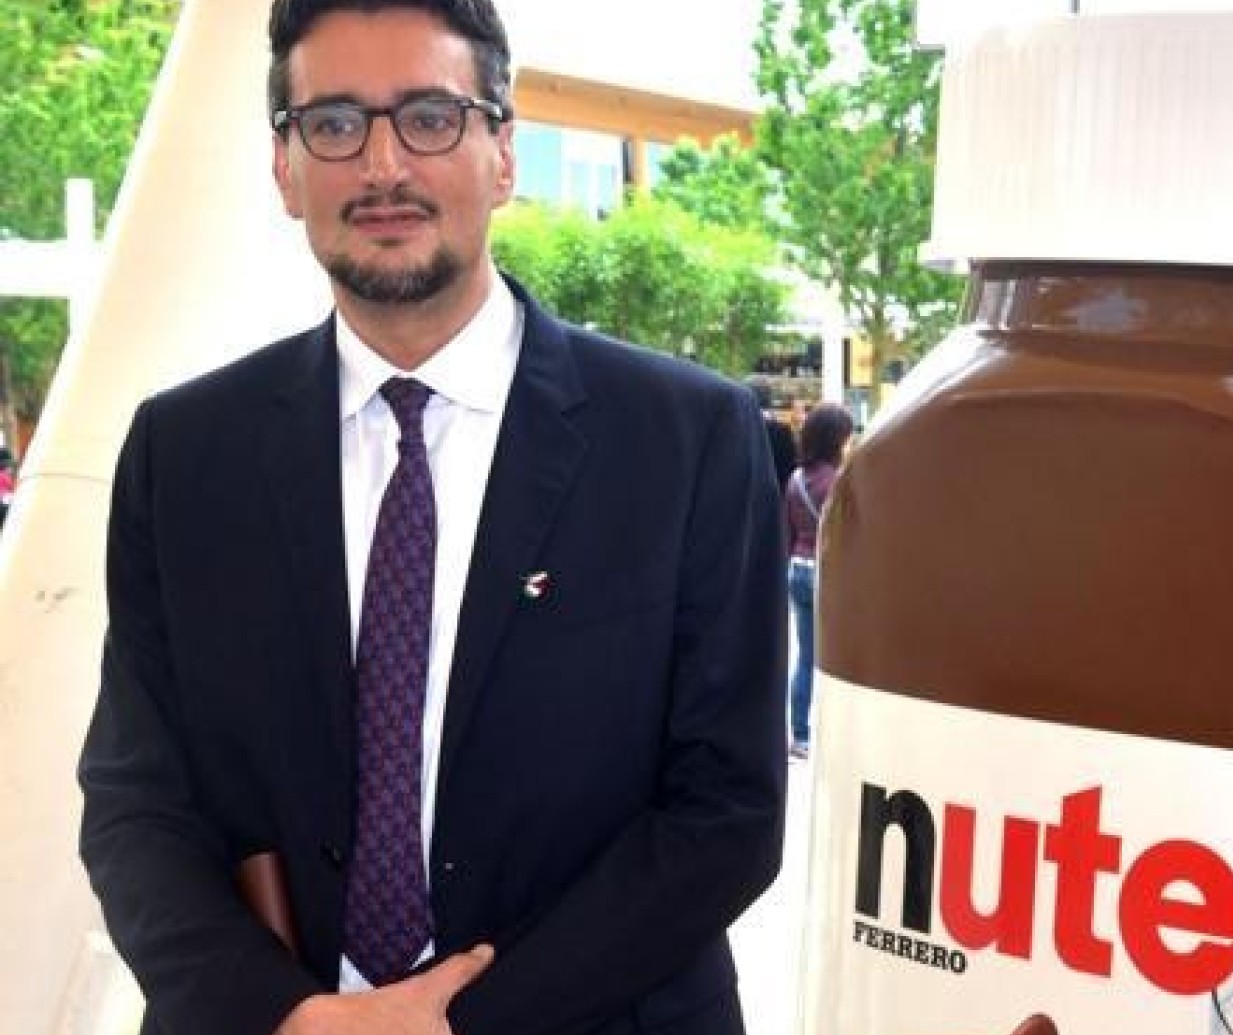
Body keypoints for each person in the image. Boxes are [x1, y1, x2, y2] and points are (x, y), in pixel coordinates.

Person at [76, 2, 787, 1034]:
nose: (383, 166)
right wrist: (294, 1015)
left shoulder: (687, 442)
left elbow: (728, 813)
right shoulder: (183, 455)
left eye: (429, 117)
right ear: (284, 168)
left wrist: (446, 1022)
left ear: (503, 152)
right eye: (334, 124)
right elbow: (135, 802)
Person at [784, 402, 852, 760]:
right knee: (835, 660)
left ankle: (799, 735)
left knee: (805, 657)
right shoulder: (839, 482)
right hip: (826, 573)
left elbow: (788, 532)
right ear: (835, 439)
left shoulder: (795, 478)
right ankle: (834, 734)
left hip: (797, 569)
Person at [748, 377, 796, 492]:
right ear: (769, 398)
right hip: (777, 493)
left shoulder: (740, 428)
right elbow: (790, 470)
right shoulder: (783, 432)